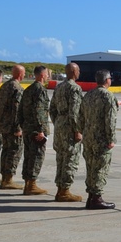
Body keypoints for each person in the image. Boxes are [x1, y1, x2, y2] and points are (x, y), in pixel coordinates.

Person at [78, 69, 117, 210]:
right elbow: (110, 120)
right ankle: (97, 198)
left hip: (88, 137)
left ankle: (91, 197)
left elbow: (80, 117)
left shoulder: (88, 95)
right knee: (100, 167)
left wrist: (82, 132)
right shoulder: (108, 96)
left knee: (91, 167)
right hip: (101, 138)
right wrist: (111, 138)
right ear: (107, 80)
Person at [50, 62, 84, 202]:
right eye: (78, 70)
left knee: (61, 158)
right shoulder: (74, 88)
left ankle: (60, 189)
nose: (79, 72)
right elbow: (74, 112)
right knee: (70, 158)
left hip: (59, 124)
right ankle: (65, 191)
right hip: (69, 127)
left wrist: (57, 122)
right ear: (74, 72)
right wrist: (77, 130)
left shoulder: (59, 86)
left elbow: (52, 108)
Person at [19, 65, 51, 196]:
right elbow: (39, 111)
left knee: (28, 155)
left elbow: (20, 110)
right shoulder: (40, 90)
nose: (48, 77)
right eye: (47, 74)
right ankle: (31, 184)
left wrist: (23, 125)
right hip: (35, 130)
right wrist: (40, 130)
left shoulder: (28, 89)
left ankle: (28, 183)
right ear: (42, 75)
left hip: (27, 127)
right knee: (36, 156)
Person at [0, 64, 25, 190]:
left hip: (4, 124)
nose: (24, 76)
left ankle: (4, 178)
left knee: (6, 151)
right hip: (12, 126)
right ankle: (8, 179)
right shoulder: (16, 87)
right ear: (20, 74)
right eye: (23, 73)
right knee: (14, 152)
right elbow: (16, 109)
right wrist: (18, 127)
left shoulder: (5, 86)